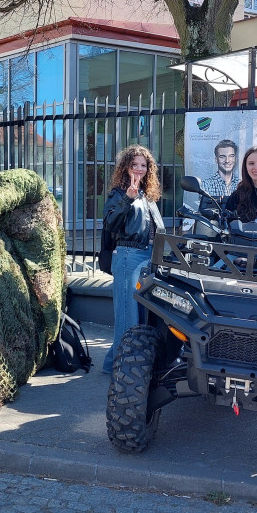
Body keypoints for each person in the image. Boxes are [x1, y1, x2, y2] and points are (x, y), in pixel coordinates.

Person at [101, 145, 164, 374]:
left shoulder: (148, 197)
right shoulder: (119, 194)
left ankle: (113, 365)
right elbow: (110, 223)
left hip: (148, 257)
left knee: (140, 316)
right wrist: (127, 200)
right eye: (134, 164)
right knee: (129, 315)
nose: (139, 169)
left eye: (143, 165)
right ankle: (123, 370)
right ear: (125, 167)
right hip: (129, 255)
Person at [200, 139, 239, 212]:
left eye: (231, 156)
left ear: (235, 159)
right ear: (216, 159)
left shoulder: (242, 185)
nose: (227, 161)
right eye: (222, 157)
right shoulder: (205, 186)